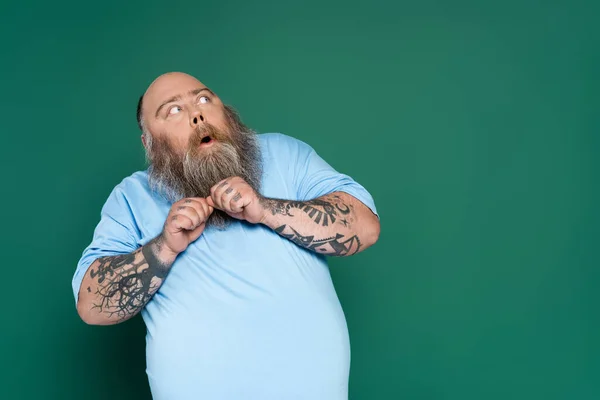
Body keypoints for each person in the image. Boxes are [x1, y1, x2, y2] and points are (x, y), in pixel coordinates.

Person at [72, 71, 380, 400]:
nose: (197, 114)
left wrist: (264, 209)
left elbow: (364, 226)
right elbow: (92, 306)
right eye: (173, 110)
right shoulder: (132, 197)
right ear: (148, 142)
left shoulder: (284, 154)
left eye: (204, 99)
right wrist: (164, 247)